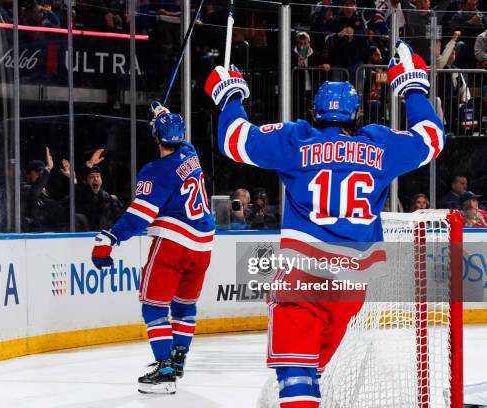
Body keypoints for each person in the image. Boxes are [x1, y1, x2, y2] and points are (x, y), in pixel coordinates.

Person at [205, 40, 444, 407]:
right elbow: (432, 137)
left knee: (297, 376)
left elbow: (233, 139)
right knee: (312, 371)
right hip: (352, 286)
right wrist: (412, 87)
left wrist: (230, 93)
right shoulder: (379, 145)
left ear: (316, 111)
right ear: (357, 113)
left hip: (303, 275)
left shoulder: (297, 139)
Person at [91, 102, 215, 395]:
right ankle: (179, 358)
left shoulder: (154, 171)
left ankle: (165, 370)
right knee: (184, 305)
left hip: (174, 244)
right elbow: (177, 138)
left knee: (154, 306)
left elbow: (139, 216)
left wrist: (110, 238)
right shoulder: (191, 154)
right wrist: (162, 117)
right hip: (204, 246)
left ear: (156, 138)